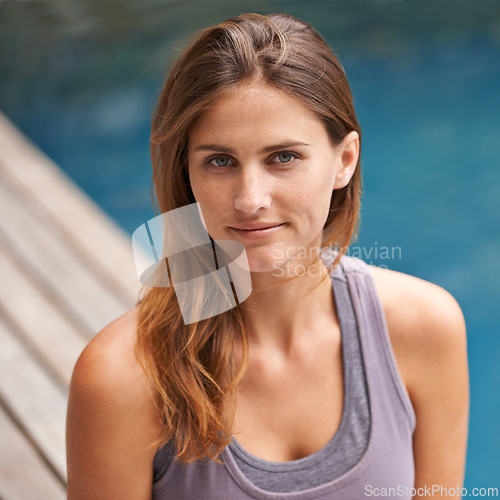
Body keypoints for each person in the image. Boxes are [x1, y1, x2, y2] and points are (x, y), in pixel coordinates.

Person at [66, 12, 469, 499]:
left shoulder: (425, 329)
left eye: (283, 157)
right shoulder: (121, 380)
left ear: (344, 160)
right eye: (220, 161)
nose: (250, 198)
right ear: (187, 175)